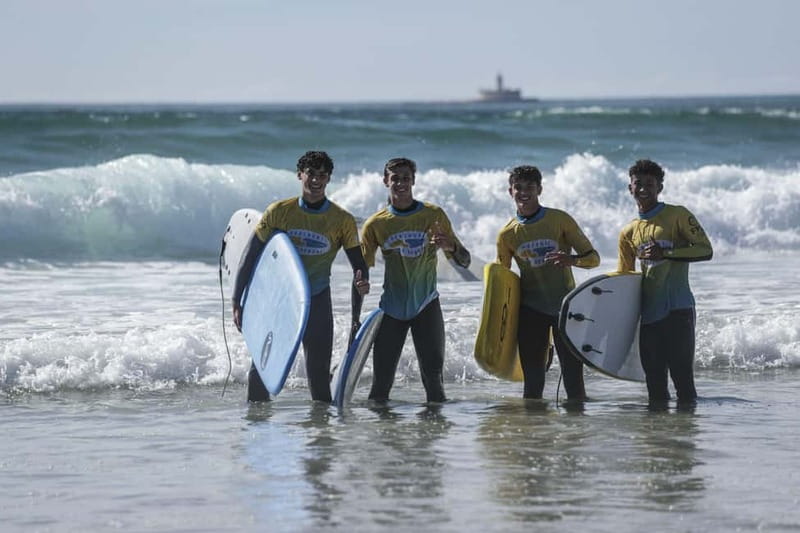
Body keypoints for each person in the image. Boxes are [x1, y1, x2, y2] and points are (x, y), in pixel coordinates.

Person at [232, 151, 370, 403]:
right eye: (310, 174)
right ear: (299, 175)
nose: (316, 180)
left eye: (322, 175)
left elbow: (359, 268)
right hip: (280, 301)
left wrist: (356, 317)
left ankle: (320, 426)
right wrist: (236, 301)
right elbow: (249, 256)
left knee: (318, 376)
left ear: (328, 178)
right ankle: (256, 423)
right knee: (261, 372)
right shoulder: (279, 212)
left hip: (318, 300)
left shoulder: (342, 220)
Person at [360, 157, 471, 403]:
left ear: (413, 181)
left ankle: (436, 428)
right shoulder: (376, 224)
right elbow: (361, 273)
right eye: (395, 178)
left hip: (426, 306)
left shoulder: (433, 215)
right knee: (380, 388)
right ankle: (380, 428)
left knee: (434, 385)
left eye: (406, 178)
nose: (401, 183)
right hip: (392, 309)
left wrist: (450, 246)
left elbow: (465, 261)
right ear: (385, 181)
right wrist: (355, 319)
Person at [496, 165, 600, 400]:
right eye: (518, 187)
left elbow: (594, 258)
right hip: (531, 311)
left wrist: (572, 260)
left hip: (566, 309)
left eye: (530, 187)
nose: (524, 192)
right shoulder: (507, 234)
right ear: (510, 191)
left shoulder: (559, 220)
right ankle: (535, 424)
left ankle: (576, 422)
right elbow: (502, 280)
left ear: (539, 189)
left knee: (573, 381)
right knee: (532, 386)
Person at [618, 159, 712, 407]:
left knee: (684, 384)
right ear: (630, 188)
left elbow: (705, 250)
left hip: (678, 311)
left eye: (650, 184)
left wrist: (667, 254)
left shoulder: (677, 215)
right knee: (655, 388)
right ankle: (660, 433)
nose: (643, 189)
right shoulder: (628, 232)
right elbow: (625, 277)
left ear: (659, 187)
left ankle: (685, 430)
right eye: (638, 183)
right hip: (649, 318)